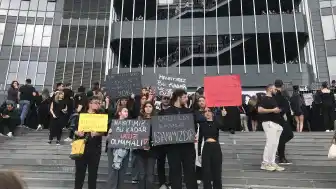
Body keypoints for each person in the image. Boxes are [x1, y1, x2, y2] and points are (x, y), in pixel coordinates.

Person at [162, 89, 197, 189]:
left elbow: (194, 126)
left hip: (188, 147)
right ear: (178, 97)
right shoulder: (166, 112)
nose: (187, 99)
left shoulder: (189, 111)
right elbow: (161, 128)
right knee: (175, 172)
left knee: (190, 172)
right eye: (185, 97)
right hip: (173, 148)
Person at [74, 96, 105, 189]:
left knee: (93, 174)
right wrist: (78, 133)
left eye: (99, 103)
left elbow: (104, 131)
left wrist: (97, 133)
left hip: (95, 148)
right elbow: (73, 129)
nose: (98, 104)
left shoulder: (101, 116)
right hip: (81, 147)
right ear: (90, 104)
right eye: (96, 102)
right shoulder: (81, 115)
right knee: (79, 174)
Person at [257, 84, 284, 172]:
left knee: (275, 144)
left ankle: (271, 162)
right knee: (270, 143)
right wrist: (273, 110)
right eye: (274, 89)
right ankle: (265, 163)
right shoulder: (265, 98)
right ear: (269, 89)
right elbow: (260, 110)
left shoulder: (273, 98)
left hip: (276, 123)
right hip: (269, 123)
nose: (275, 90)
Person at [198, 107, 227, 189]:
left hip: (216, 148)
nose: (207, 113)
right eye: (205, 111)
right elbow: (200, 140)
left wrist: (223, 116)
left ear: (212, 113)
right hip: (206, 148)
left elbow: (223, 127)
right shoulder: (202, 124)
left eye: (209, 111)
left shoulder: (216, 122)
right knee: (206, 173)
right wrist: (199, 154)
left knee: (217, 172)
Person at [105, 107, 130, 189]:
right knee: (113, 171)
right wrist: (109, 133)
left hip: (125, 150)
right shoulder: (113, 123)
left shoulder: (131, 124)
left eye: (127, 111)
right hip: (113, 149)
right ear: (119, 113)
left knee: (123, 171)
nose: (126, 113)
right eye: (124, 111)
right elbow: (108, 139)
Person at [133, 101, 156, 189]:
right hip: (139, 150)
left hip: (152, 150)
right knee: (141, 174)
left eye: (150, 106)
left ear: (153, 108)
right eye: (146, 106)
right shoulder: (139, 119)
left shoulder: (156, 120)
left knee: (150, 174)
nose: (148, 108)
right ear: (143, 108)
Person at [274, 79, 294, 165]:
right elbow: (285, 106)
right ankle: (281, 157)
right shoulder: (281, 94)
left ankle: (279, 153)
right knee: (287, 135)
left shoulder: (274, 94)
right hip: (279, 118)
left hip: (277, 118)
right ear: (282, 85)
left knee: (285, 136)